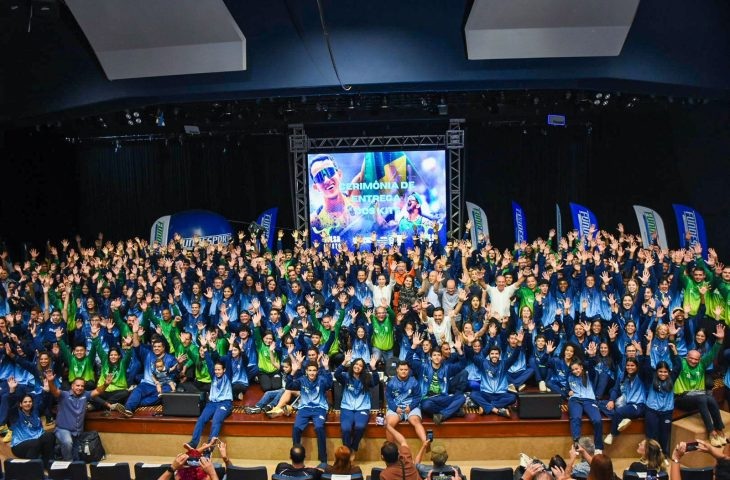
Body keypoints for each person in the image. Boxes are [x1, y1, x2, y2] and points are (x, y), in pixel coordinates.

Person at [673, 323, 726, 446]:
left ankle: (719, 429)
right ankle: (711, 432)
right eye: (691, 358)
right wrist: (672, 337)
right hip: (682, 398)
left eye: (696, 359)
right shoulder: (681, 364)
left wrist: (719, 340)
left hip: (697, 395)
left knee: (710, 398)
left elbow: (712, 353)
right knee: (703, 398)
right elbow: (673, 353)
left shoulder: (702, 365)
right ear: (686, 357)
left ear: (700, 359)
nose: (693, 361)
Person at [46, 370, 113, 461]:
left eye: (82, 386)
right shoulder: (64, 395)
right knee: (67, 442)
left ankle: (59, 452)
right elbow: (54, 391)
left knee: (77, 458)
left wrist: (105, 384)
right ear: (72, 386)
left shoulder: (85, 395)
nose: (80, 388)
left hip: (77, 432)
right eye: (77, 385)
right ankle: (68, 464)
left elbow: (97, 391)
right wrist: (50, 381)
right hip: (63, 429)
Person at [286, 355, 334, 467]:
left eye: (314, 370)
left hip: (319, 408)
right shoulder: (302, 380)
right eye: (310, 370)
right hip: (304, 408)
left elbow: (329, 385)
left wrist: (326, 368)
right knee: (296, 428)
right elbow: (289, 385)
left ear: (317, 371)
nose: (312, 373)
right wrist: (293, 372)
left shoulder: (322, 380)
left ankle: (323, 460)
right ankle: (297, 458)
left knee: (319, 428)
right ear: (306, 371)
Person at [0, 376, 55, 470]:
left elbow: (44, 403)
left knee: (49, 436)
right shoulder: (15, 414)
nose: (28, 403)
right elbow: (10, 404)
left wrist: (46, 391)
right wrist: (12, 391)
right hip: (20, 444)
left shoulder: (35, 411)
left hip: (37, 440)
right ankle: (32, 469)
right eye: (25, 402)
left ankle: (47, 464)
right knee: (35, 443)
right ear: (20, 404)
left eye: (30, 402)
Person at [186, 344, 233, 450]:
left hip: (225, 403)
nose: (217, 372)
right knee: (201, 419)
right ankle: (193, 443)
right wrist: (205, 348)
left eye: (219, 370)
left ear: (224, 370)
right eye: (215, 370)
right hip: (212, 403)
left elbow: (228, 361)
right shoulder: (213, 376)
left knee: (216, 420)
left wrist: (230, 348)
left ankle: (209, 449)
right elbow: (209, 361)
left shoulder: (227, 376)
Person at [335, 351, 380, 457]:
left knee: (360, 427)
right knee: (346, 429)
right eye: (356, 364)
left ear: (363, 368)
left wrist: (373, 368)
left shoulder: (367, 378)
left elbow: (376, 381)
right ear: (352, 365)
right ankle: (346, 451)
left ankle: (353, 448)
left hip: (362, 408)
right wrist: (344, 362)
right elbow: (336, 375)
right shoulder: (346, 377)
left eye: (360, 365)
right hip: (347, 407)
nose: (357, 366)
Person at [309, 154, 358, 243]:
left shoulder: (356, 197)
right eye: (319, 177)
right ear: (316, 187)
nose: (326, 180)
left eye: (330, 171)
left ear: (339, 174)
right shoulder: (314, 221)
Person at [385, 361, 428, 444]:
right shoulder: (391, 383)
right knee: (389, 424)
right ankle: (390, 448)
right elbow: (388, 398)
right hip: (396, 408)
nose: (403, 371)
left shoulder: (414, 382)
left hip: (411, 407)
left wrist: (411, 406)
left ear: (409, 370)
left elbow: (418, 396)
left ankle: (425, 443)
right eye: (401, 369)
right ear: (397, 370)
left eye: (406, 369)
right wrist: (395, 408)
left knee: (416, 421)